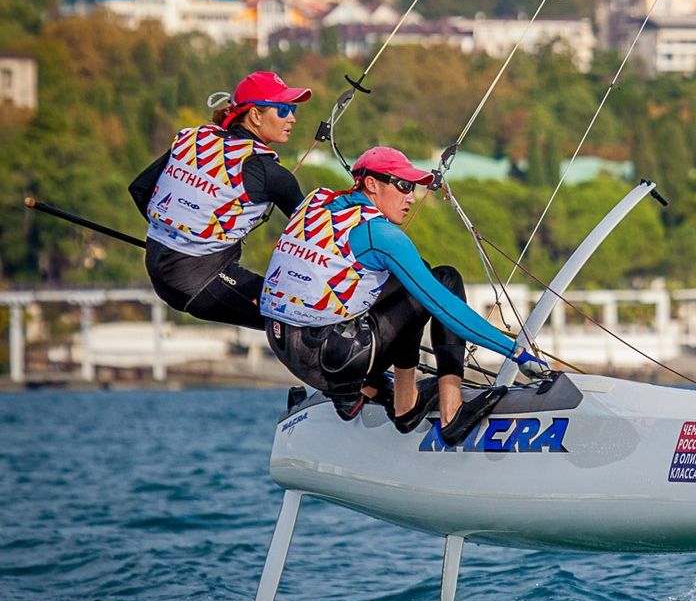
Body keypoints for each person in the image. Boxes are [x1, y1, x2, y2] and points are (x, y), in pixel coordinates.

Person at [259, 146, 546, 443]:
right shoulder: (378, 235)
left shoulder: (317, 203)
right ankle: (449, 412)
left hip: (284, 346)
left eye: (414, 188)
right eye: (404, 186)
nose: (411, 197)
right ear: (371, 184)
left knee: (409, 275)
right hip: (332, 362)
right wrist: (516, 353)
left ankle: (367, 397)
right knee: (445, 280)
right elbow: (444, 307)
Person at [129, 71, 310, 330]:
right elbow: (313, 232)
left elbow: (140, 189)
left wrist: (175, 234)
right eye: (282, 109)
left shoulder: (196, 139)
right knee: (301, 317)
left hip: (158, 267)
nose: (291, 117)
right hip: (200, 282)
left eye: (292, 109)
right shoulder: (270, 172)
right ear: (255, 115)